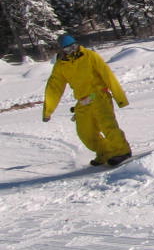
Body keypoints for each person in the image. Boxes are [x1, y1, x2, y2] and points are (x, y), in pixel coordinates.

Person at [42, 34, 133, 167]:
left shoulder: (90, 56)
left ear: (77, 44)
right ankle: (104, 151)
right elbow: (54, 88)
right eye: (68, 49)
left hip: (99, 96)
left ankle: (122, 151)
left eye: (74, 46)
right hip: (83, 101)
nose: (72, 50)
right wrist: (48, 110)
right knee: (85, 132)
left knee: (107, 125)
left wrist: (120, 98)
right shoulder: (61, 65)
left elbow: (108, 75)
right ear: (62, 50)